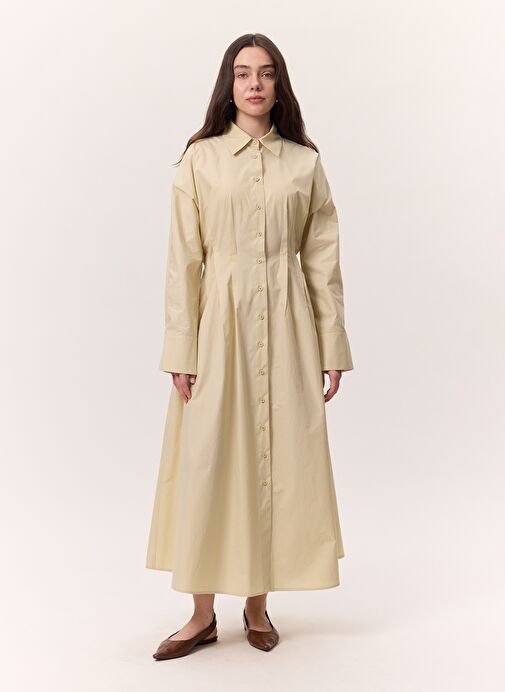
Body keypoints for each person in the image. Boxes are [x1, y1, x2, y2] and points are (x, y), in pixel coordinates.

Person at [146, 32, 354, 660]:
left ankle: (258, 607)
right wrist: (181, 350)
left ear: (278, 84)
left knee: (276, 461)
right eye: (242, 73)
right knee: (210, 460)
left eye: (265, 73)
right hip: (218, 328)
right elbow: (184, 261)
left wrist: (331, 346)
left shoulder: (304, 163)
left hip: (287, 327)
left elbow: (322, 261)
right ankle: (201, 614)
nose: (254, 84)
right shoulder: (200, 160)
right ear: (229, 84)